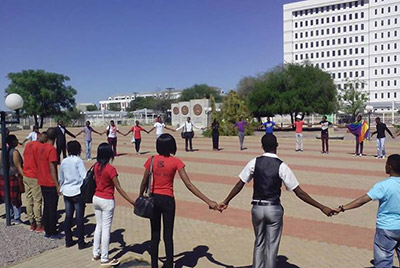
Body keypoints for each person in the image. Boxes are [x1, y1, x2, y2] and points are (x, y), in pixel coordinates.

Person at [218, 134, 334, 268]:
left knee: (259, 243)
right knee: (271, 246)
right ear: (277, 146)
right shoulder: (282, 166)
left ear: (262, 147)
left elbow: (240, 184)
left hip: (257, 208)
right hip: (273, 208)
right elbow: (299, 192)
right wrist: (321, 207)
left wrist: (226, 201)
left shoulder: (254, 162)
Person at [139, 134, 219, 268]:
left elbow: (144, 181)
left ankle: (154, 265)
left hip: (153, 199)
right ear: (172, 146)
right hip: (168, 200)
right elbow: (189, 184)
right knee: (168, 236)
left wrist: (140, 197)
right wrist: (208, 201)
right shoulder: (176, 162)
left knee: (155, 234)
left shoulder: (151, 160)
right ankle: (170, 265)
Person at [332, 154, 400, 268]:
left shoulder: (383, 186)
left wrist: (342, 208)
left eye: (386, 164)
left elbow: (362, 200)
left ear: (390, 167)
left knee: (383, 263)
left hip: (386, 228)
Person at [92, 143, 135, 266]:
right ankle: (105, 258)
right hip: (107, 200)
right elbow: (119, 188)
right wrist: (131, 201)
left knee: (98, 226)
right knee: (106, 229)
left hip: (96, 198)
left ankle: (95, 253)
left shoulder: (95, 166)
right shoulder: (111, 169)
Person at [59, 141, 91, 249]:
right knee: (79, 217)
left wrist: (61, 187)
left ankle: (68, 240)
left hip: (66, 191)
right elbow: (84, 176)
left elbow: (61, 177)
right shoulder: (78, 161)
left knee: (68, 216)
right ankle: (81, 243)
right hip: (77, 191)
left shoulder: (64, 161)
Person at [36, 127, 62, 239]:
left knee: (46, 207)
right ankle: (52, 231)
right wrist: (57, 184)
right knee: (52, 208)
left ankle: (47, 230)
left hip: (42, 180)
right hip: (50, 182)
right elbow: (52, 167)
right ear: (55, 137)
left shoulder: (41, 147)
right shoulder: (52, 149)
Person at [23, 132, 48, 232]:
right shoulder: (40, 147)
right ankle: (38, 223)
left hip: (26, 174)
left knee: (29, 199)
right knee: (37, 200)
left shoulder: (28, 145)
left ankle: (31, 221)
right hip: (35, 176)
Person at [0, 135, 25, 225]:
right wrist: (24, 176)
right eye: (16, 140)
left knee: (7, 197)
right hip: (12, 176)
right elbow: (18, 166)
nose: (17, 141)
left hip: (3, 175)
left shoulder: (3, 151)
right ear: (13, 141)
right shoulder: (14, 152)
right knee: (15, 198)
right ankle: (16, 217)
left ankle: (10, 214)